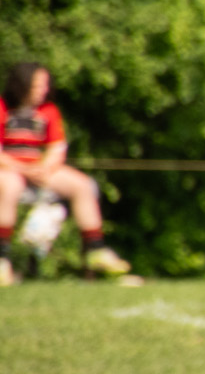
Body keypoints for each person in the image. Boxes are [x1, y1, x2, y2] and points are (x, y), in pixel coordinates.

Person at [0, 61, 131, 284]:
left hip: (39, 169)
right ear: (21, 85)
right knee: (8, 186)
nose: (43, 90)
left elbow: (56, 147)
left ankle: (95, 251)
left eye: (45, 86)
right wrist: (23, 169)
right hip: (9, 169)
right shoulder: (3, 108)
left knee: (82, 185)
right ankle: (2, 259)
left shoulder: (48, 111)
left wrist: (44, 168)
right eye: (37, 86)